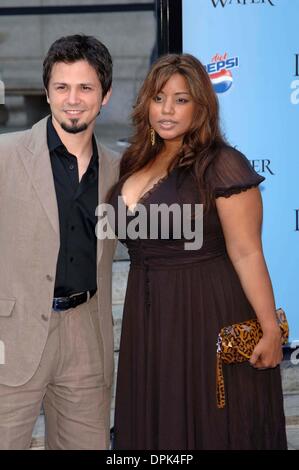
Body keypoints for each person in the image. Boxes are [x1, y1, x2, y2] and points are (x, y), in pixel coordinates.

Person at [108, 53, 287, 450]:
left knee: (207, 427)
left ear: (201, 106)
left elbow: (246, 253)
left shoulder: (222, 165)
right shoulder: (135, 160)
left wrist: (270, 328)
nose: (167, 109)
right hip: (149, 318)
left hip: (205, 312)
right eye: (158, 98)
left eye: (181, 99)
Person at [0, 34, 120, 450]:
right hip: (10, 336)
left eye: (85, 87)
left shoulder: (119, 170)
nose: (73, 98)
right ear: (47, 92)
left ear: (105, 95)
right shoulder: (5, 155)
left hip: (87, 337)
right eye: (61, 87)